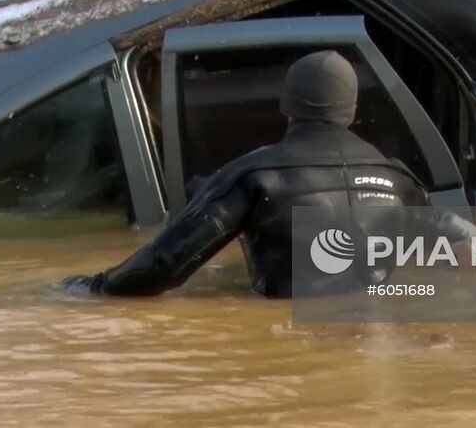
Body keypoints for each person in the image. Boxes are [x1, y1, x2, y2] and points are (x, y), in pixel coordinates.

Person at [59, 50, 432, 298]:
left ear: (287, 107)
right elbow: (441, 243)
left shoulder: (253, 176)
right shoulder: (401, 181)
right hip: (375, 345)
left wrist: (89, 287)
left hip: (291, 348)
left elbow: (162, 266)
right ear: (351, 110)